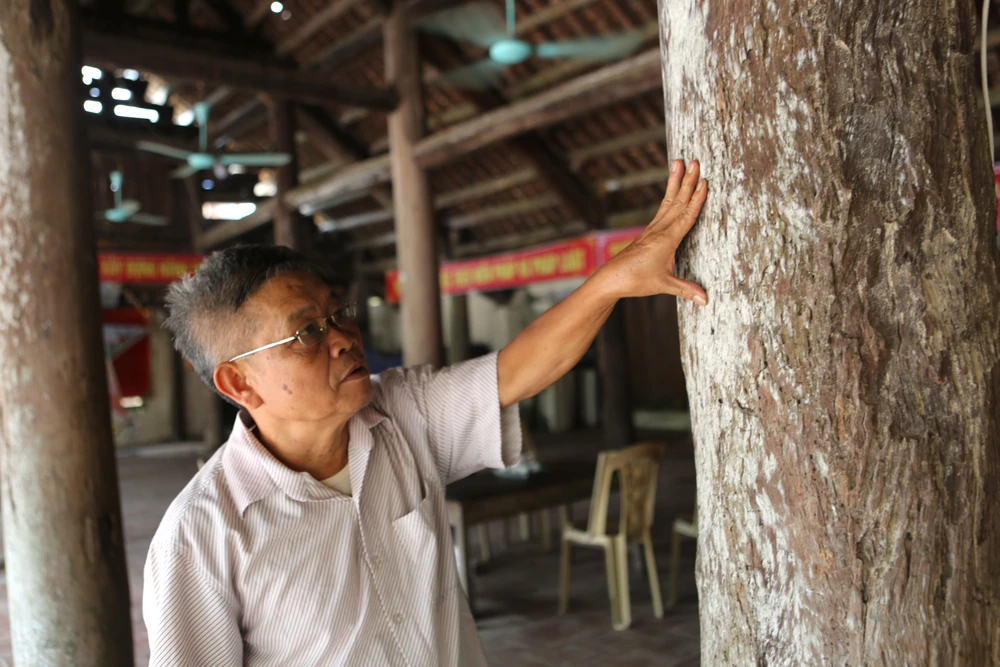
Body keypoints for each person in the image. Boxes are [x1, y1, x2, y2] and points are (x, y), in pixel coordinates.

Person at [144, 161, 709, 666]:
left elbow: (517, 370)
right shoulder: (200, 537)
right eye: (307, 331)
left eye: (339, 314)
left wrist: (614, 279)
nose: (342, 338)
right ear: (239, 381)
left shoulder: (401, 414)